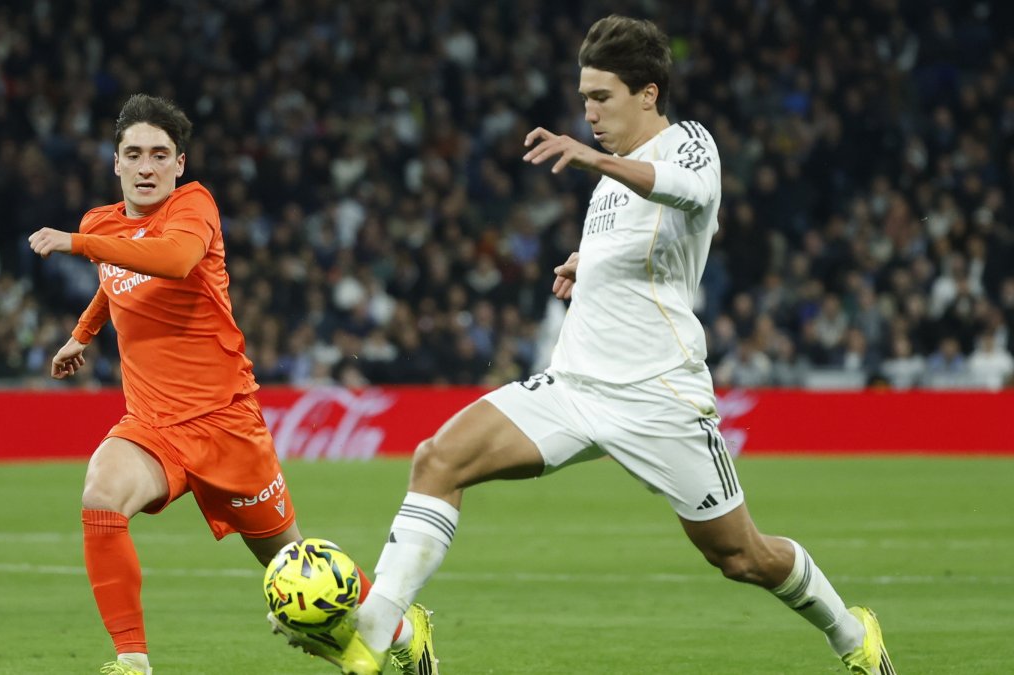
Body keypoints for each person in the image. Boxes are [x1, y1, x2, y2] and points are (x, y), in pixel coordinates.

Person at [290, 16, 896, 675]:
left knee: (741, 555)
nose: (589, 112)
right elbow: (642, 243)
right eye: (583, 98)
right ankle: (381, 638)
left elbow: (692, 196)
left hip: (660, 394)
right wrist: (590, 262)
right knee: (439, 458)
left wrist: (594, 157)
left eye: (602, 97)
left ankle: (851, 633)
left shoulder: (688, 143)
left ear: (649, 94)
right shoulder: (611, 183)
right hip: (575, 386)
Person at [27, 94, 432, 675]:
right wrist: (83, 334)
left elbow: (172, 260)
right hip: (153, 425)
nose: (146, 167)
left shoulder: (194, 208)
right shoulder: (102, 223)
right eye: (133, 154)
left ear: (179, 164)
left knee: (294, 566)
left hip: (225, 424)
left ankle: (397, 628)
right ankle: (131, 660)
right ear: (115, 163)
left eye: (159, 155)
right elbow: (114, 278)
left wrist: (77, 242)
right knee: (101, 492)